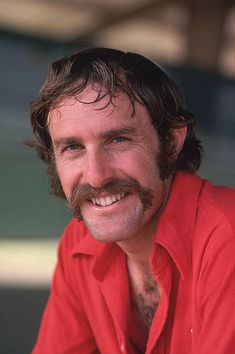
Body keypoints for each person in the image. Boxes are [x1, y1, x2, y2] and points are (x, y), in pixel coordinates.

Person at [30, 47, 235, 354]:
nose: (96, 176)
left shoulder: (227, 237)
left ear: (171, 143)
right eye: (73, 148)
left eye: (118, 140)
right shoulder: (78, 246)